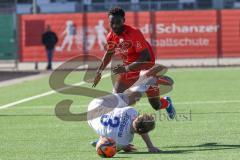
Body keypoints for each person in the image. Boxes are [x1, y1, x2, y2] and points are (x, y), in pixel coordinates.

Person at [92, 7, 175, 119]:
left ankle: (166, 100)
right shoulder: (111, 36)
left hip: (144, 69)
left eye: (118, 22)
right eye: (112, 23)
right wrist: (99, 71)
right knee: (117, 98)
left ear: (124, 20)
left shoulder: (134, 33)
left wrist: (126, 68)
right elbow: (109, 53)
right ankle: (120, 126)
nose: (115, 25)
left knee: (156, 105)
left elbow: (144, 56)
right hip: (129, 70)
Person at [88, 65, 168, 152]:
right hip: (90, 117)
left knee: (132, 98)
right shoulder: (124, 141)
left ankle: (144, 79)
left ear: (136, 118)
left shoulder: (130, 112)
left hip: (98, 105)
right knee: (108, 129)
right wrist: (150, 147)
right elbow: (114, 144)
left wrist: (150, 146)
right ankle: (100, 141)